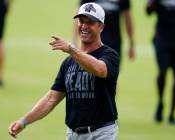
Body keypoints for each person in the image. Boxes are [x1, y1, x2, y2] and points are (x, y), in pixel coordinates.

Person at [8, 3, 120, 140]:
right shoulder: (68, 62)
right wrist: (24, 121)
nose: (84, 26)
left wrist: (71, 50)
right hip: (73, 135)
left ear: (101, 27)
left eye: (90, 22)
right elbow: (51, 99)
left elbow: (100, 69)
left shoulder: (109, 55)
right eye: (81, 21)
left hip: (101, 133)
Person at [146, 0, 175, 124]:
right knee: (162, 71)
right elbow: (148, 11)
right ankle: (160, 103)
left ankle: (172, 113)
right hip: (162, 38)